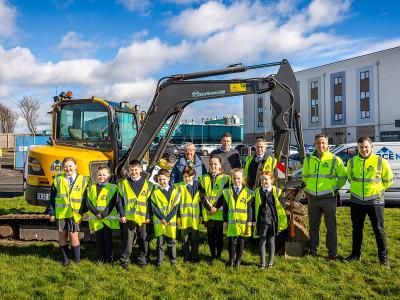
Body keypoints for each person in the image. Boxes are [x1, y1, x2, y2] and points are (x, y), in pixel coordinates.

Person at [345, 137, 394, 267]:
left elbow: (389, 180)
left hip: (375, 202)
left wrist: (378, 190)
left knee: (379, 230)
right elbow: (350, 178)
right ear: (358, 148)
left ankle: (383, 259)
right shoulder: (352, 162)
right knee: (356, 229)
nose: (364, 149)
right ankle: (356, 255)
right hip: (356, 201)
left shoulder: (380, 161)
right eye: (361, 147)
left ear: (371, 147)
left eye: (366, 147)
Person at [301, 133, 346, 261]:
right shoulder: (309, 160)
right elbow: (304, 176)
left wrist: (333, 188)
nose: (320, 145)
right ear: (315, 144)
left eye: (323, 143)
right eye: (318, 143)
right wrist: (309, 187)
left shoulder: (335, 160)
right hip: (312, 198)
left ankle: (332, 253)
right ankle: (313, 249)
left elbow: (342, 177)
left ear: (327, 144)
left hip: (328, 198)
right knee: (314, 226)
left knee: (330, 227)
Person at [48, 157, 89, 266]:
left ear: (76, 166)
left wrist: (82, 212)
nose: (68, 168)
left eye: (70, 166)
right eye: (65, 166)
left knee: (73, 236)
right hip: (61, 213)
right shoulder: (58, 179)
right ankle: (65, 260)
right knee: (62, 235)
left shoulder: (84, 180)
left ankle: (77, 262)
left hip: (75, 214)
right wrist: (52, 213)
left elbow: (86, 199)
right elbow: (52, 198)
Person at [117, 159, 153, 268]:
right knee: (128, 240)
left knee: (143, 238)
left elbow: (150, 202)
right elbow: (119, 201)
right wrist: (122, 214)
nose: (134, 172)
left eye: (136, 170)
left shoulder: (148, 184)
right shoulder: (123, 184)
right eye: (131, 170)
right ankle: (125, 260)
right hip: (129, 217)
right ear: (128, 170)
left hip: (143, 217)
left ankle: (143, 259)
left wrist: (148, 216)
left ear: (140, 169)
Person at [253, 171, 287, 269]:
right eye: (262, 179)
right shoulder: (258, 191)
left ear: (272, 180)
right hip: (262, 220)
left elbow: (282, 206)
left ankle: (270, 262)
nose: (264, 181)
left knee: (272, 241)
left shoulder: (277, 191)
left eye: (266, 179)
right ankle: (262, 263)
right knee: (262, 241)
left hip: (273, 220)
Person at [199, 155, 230, 261]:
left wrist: (215, 207)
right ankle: (212, 255)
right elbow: (202, 195)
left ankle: (219, 255)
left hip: (219, 211)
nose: (213, 166)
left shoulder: (226, 178)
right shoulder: (203, 178)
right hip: (208, 212)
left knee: (219, 235)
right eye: (211, 164)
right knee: (210, 235)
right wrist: (209, 208)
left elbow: (224, 195)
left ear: (220, 165)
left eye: (215, 164)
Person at [86, 166, 119, 263]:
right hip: (96, 218)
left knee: (108, 240)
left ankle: (108, 259)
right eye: (100, 175)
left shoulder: (113, 188)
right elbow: (88, 202)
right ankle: (100, 259)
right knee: (99, 240)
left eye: (104, 175)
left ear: (109, 176)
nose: (101, 176)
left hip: (107, 219)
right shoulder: (92, 187)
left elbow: (112, 203)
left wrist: (103, 214)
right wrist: (97, 213)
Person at [223, 168, 253, 268]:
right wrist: (225, 221)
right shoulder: (227, 192)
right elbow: (225, 208)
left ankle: (238, 260)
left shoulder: (248, 192)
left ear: (242, 179)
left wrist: (249, 221)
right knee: (232, 241)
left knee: (241, 241)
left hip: (243, 222)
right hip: (231, 222)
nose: (237, 180)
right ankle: (231, 260)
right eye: (234, 178)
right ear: (232, 179)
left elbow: (249, 208)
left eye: (239, 178)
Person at [151, 168, 181, 266]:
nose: (162, 181)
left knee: (171, 241)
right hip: (159, 221)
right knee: (160, 242)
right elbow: (154, 207)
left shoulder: (175, 192)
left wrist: (167, 219)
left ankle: (173, 259)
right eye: (160, 180)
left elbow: (175, 207)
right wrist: (162, 218)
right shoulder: (155, 192)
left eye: (164, 179)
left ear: (168, 179)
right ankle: (160, 260)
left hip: (170, 221)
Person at [176, 166, 201, 262]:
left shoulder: (198, 185)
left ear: (194, 175)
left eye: (189, 176)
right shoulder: (179, 186)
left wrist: (201, 216)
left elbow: (201, 202)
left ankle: (195, 256)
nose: (187, 178)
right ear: (183, 176)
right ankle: (186, 256)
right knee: (184, 239)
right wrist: (178, 217)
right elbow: (176, 204)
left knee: (195, 239)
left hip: (195, 217)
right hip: (184, 217)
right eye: (185, 176)